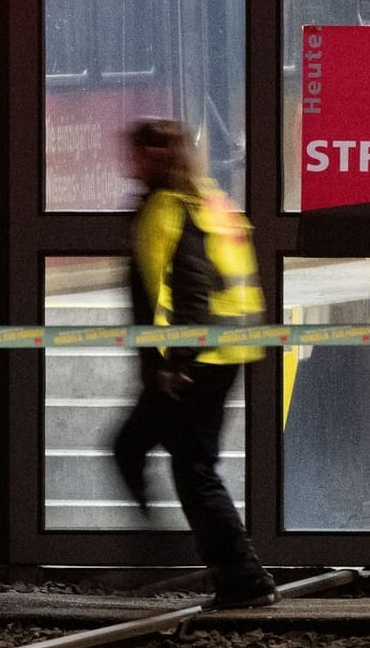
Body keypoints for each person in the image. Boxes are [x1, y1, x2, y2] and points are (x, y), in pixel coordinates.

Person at [113, 118, 278, 608]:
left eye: (136, 153)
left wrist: (178, 361)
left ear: (152, 157)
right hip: (220, 352)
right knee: (135, 446)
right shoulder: (209, 198)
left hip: (196, 360)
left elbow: (190, 287)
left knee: (191, 468)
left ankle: (243, 578)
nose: (129, 162)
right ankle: (160, 545)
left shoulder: (170, 208)